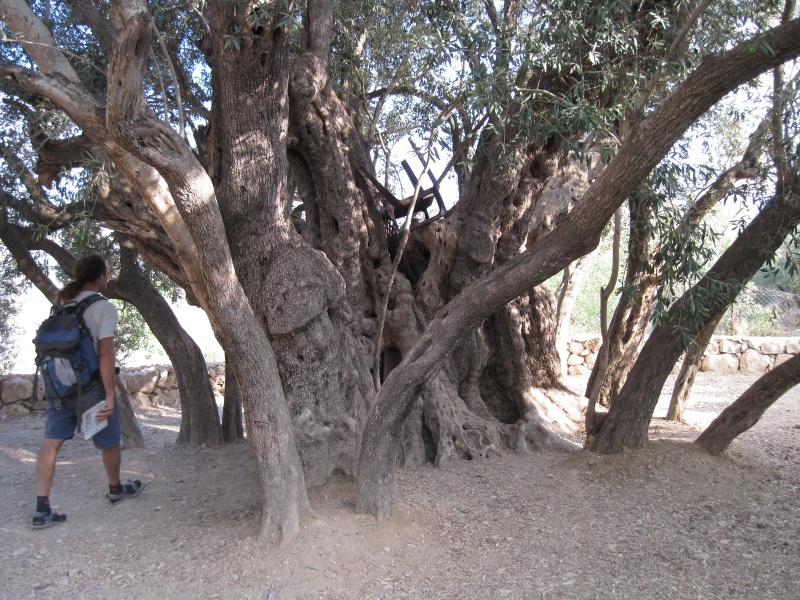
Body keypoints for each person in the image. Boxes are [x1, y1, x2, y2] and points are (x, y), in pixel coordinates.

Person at [32, 254, 145, 529]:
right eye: (107, 273)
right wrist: (109, 395)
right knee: (109, 441)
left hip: (58, 386)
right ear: (100, 277)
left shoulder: (62, 303)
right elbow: (105, 353)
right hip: (90, 387)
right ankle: (115, 489)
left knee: (51, 443)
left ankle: (41, 508)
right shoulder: (103, 307)